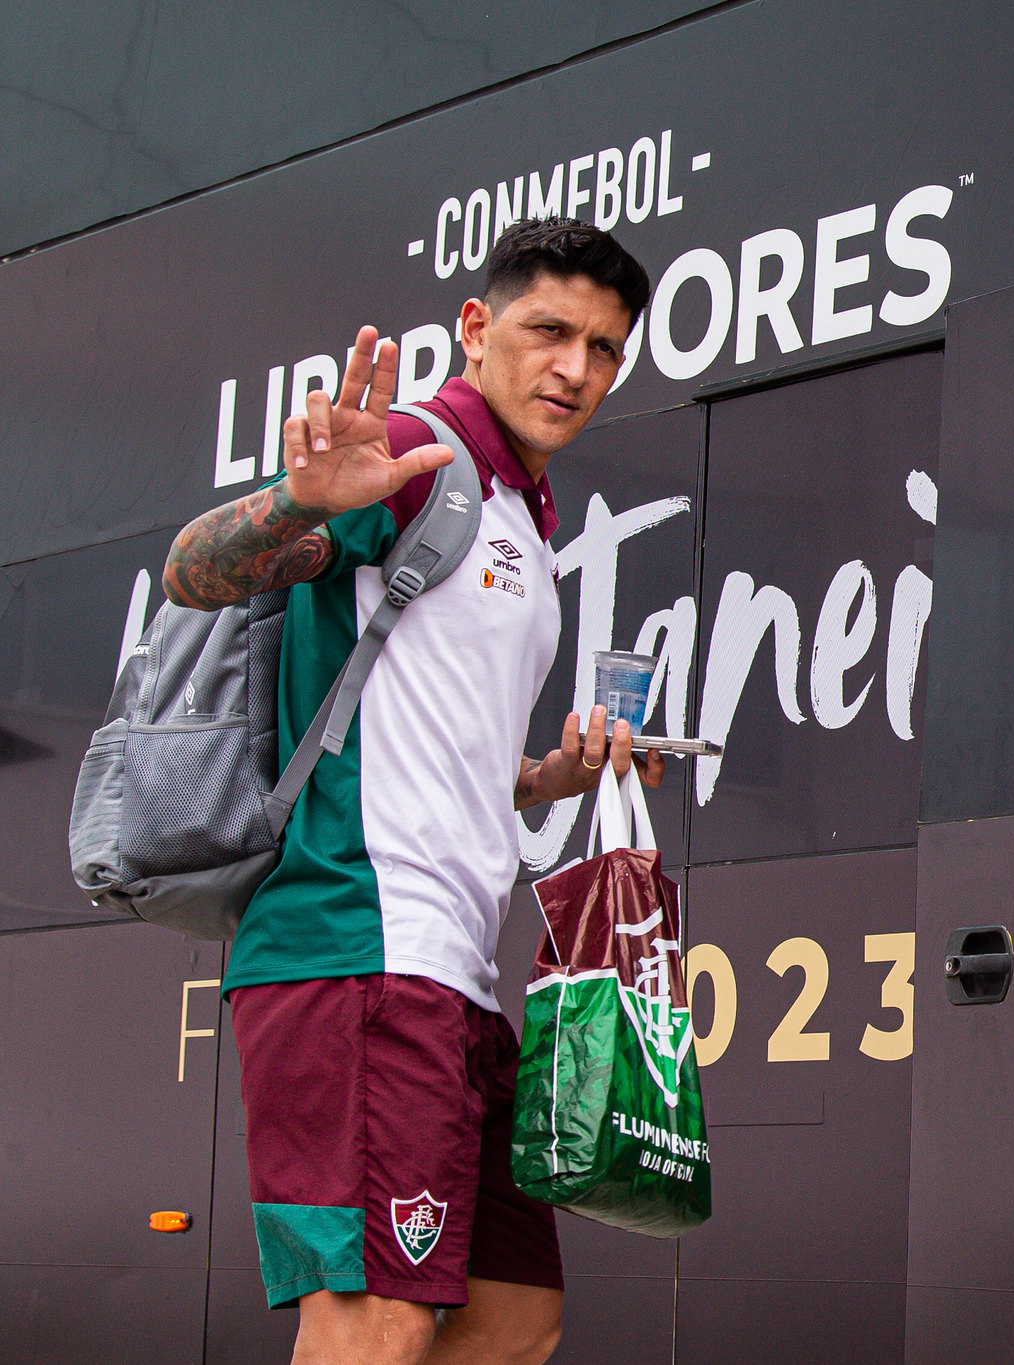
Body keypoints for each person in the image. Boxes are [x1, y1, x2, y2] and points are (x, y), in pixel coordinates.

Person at [163, 217, 660, 1365]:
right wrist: (299, 506)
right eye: (548, 332)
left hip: (453, 973)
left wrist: (550, 777)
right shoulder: (413, 454)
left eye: (601, 347)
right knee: (378, 1321)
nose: (573, 369)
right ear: (477, 329)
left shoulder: (524, 521)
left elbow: (428, 749)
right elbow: (195, 570)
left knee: (512, 1315)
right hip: (353, 946)